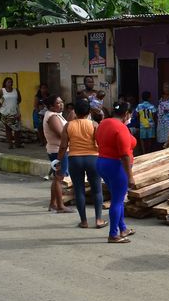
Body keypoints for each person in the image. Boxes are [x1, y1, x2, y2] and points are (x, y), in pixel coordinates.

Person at [57, 98, 106, 230]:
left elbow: (63, 146)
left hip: (75, 159)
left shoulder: (68, 126)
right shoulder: (94, 124)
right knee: (97, 190)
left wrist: (59, 161)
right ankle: (98, 219)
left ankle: (84, 221)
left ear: (75, 111)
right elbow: (100, 143)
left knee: (79, 190)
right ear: (89, 112)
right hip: (93, 158)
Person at [96, 101, 138, 243]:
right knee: (118, 201)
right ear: (126, 114)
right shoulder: (121, 128)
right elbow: (124, 155)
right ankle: (113, 234)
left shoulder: (103, 123)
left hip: (102, 163)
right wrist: (130, 176)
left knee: (117, 198)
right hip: (116, 166)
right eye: (130, 115)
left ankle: (123, 228)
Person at [43, 95, 71, 214]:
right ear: (51, 106)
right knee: (59, 178)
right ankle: (60, 206)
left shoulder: (56, 115)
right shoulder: (52, 117)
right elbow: (61, 134)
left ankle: (53, 203)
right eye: (58, 103)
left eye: (61, 102)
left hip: (58, 149)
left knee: (57, 177)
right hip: (58, 150)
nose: (61, 104)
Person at [0, 77, 23, 148]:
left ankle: (17, 144)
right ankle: (10, 144)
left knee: (17, 129)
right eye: (9, 82)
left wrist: (14, 105)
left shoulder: (16, 90)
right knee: (8, 129)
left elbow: (19, 99)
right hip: (5, 113)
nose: (11, 83)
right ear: (5, 83)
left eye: (11, 82)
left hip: (15, 112)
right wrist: (1, 106)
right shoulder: (2, 91)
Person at [156, 82, 169, 147]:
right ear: (163, 89)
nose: (167, 89)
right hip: (162, 123)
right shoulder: (161, 98)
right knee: (163, 141)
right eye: (165, 87)